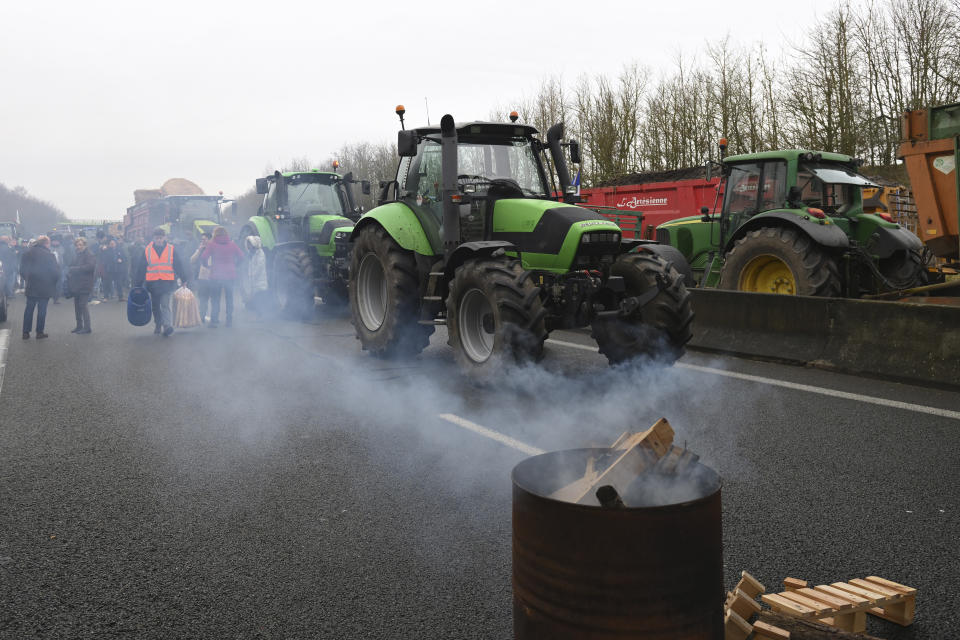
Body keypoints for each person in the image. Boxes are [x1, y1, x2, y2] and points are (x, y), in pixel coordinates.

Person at [134, 227, 189, 337]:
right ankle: (158, 324)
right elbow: (141, 268)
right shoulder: (147, 250)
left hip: (166, 282)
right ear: (153, 238)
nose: (159, 240)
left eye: (161, 238)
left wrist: (184, 279)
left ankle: (167, 326)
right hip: (152, 283)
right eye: (157, 238)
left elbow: (178, 264)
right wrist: (138, 285)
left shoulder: (171, 249)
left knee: (164, 304)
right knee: (155, 306)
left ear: (165, 238)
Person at [199, 226, 244, 328]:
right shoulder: (232, 245)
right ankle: (229, 320)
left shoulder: (212, 245)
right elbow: (241, 256)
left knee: (215, 299)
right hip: (230, 275)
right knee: (229, 298)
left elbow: (203, 257)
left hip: (216, 275)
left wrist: (206, 266)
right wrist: (235, 265)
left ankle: (214, 320)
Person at [20, 235, 60, 339]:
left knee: (29, 309)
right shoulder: (50, 255)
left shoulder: (27, 253)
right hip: (45, 286)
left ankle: (25, 332)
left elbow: (22, 270)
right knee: (42, 310)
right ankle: (39, 332)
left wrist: (27, 279)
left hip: (31, 285)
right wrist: (52, 283)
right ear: (46, 243)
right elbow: (56, 273)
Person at [68, 237, 96, 334]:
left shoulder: (89, 254)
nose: (78, 247)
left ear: (85, 245)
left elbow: (90, 267)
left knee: (83, 305)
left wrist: (75, 269)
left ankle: (87, 327)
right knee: (77, 306)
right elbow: (71, 264)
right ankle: (79, 326)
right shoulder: (77, 254)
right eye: (77, 245)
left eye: (80, 245)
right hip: (76, 284)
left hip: (85, 283)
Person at [241, 235, 269, 319]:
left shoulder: (260, 253)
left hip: (259, 279)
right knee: (257, 298)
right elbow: (251, 266)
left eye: (250, 244)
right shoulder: (251, 254)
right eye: (248, 244)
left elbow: (260, 266)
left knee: (260, 297)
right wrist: (250, 276)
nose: (248, 246)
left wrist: (253, 275)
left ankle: (262, 314)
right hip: (254, 280)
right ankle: (260, 314)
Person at [190, 232, 212, 323]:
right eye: (202, 239)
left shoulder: (214, 249)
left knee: (214, 299)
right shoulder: (200, 249)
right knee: (203, 298)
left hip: (213, 277)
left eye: (204, 239)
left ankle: (214, 317)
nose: (203, 241)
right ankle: (202, 316)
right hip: (202, 277)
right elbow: (192, 260)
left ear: (210, 240)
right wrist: (199, 250)